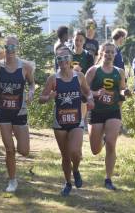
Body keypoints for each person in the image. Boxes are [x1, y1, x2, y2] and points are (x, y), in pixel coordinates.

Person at [0, 35, 35, 192]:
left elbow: (31, 83)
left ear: (17, 49)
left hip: (19, 112)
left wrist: (31, 92)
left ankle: (21, 136)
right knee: (9, 149)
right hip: (2, 111)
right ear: (4, 48)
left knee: (24, 151)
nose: (10, 50)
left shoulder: (25, 67)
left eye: (13, 47)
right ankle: (12, 181)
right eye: (7, 47)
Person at [39, 46, 94, 196]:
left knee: (75, 152)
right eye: (59, 59)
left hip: (76, 120)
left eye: (65, 58)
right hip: (60, 122)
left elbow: (88, 92)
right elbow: (41, 98)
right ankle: (68, 183)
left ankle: (76, 170)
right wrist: (49, 97)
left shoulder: (79, 76)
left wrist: (90, 100)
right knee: (65, 155)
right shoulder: (53, 79)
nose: (62, 61)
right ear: (57, 61)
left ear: (70, 59)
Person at [86, 42, 129, 190]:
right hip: (96, 112)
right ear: (101, 53)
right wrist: (97, 93)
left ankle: (108, 179)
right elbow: (83, 91)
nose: (110, 54)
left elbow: (122, 89)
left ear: (115, 54)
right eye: (107, 52)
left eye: (112, 52)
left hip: (113, 111)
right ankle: (101, 141)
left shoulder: (120, 72)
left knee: (111, 143)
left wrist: (125, 93)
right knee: (95, 150)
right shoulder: (93, 71)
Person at [72, 30, 94, 130]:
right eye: (76, 40)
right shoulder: (67, 54)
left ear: (84, 42)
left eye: (81, 40)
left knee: (83, 101)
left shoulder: (88, 56)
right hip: (69, 82)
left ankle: (82, 121)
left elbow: (91, 72)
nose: (78, 42)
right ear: (73, 39)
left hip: (83, 84)